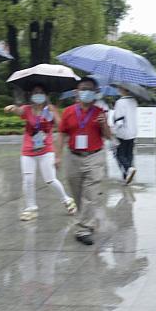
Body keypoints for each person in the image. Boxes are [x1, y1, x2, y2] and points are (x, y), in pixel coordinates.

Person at [4, 85, 77, 221]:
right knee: (28, 179)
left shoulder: (49, 110)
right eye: (35, 92)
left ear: (45, 95)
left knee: (50, 179)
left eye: (41, 92)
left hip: (46, 149)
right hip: (28, 149)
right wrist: (12, 108)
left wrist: (53, 111)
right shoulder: (27, 109)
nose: (38, 95)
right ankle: (31, 208)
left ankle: (67, 199)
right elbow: (19, 111)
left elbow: (61, 126)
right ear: (31, 95)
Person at [56, 77, 112, 245]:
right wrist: (57, 155)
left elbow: (109, 136)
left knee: (91, 194)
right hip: (73, 156)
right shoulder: (68, 112)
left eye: (90, 90)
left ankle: (83, 228)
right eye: (83, 89)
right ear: (77, 92)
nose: (86, 92)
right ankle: (86, 219)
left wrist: (103, 125)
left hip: (94, 156)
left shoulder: (99, 112)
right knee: (78, 193)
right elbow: (62, 134)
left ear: (95, 94)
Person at [112, 86, 138, 184]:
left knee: (119, 155)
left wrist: (113, 131)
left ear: (123, 89)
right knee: (129, 154)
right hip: (133, 131)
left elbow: (119, 121)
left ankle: (128, 169)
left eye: (119, 88)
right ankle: (126, 177)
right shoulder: (134, 101)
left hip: (123, 132)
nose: (118, 89)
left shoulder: (120, 102)